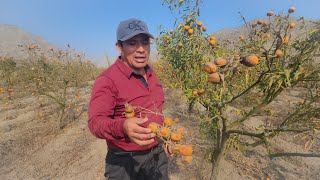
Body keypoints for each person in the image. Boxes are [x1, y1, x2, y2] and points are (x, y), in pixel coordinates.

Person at [88, 18, 169, 180]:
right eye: (132, 43)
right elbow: (95, 123)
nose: (141, 50)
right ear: (119, 47)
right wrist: (123, 126)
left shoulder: (151, 74)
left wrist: (166, 137)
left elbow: (157, 110)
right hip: (125, 162)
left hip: (157, 155)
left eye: (145, 43)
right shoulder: (107, 80)